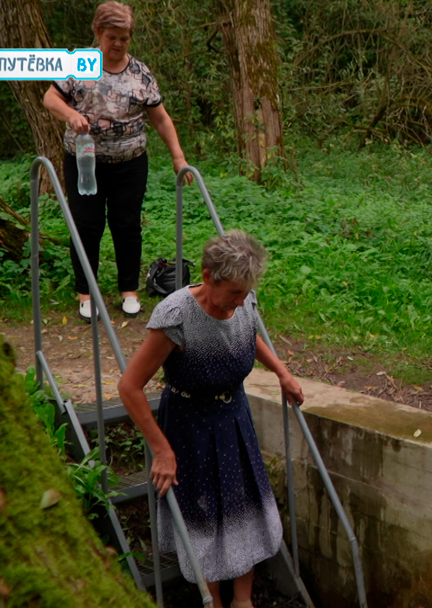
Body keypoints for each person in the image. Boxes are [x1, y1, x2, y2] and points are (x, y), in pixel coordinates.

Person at [118, 231, 303, 608]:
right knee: (205, 514)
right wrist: (161, 450)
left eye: (245, 293)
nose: (240, 302)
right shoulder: (176, 315)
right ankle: (212, 600)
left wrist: (282, 372)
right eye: (233, 293)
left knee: (244, 505)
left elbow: (248, 334)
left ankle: (243, 600)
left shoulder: (243, 300)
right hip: (190, 426)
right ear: (207, 276)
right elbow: (129, 387)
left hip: (234, 418)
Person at [43, 1, 193, 322]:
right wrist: (71, 114)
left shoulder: (140, 73)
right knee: (87, 226)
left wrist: (178, 158)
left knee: (127, 225)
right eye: (112, 37)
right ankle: (87, 293)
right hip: (85, 162)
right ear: (98, 32)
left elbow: (161, 119)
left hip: (130, 162)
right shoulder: (79, 64)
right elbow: (50, 98)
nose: (118, 44)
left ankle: (129, 291)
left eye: (124, 38)